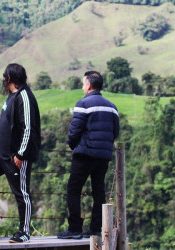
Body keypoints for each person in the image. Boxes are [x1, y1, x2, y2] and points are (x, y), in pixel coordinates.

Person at [0, 63, 41, 243]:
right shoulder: (12, 96)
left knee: (21, 194)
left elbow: (29, 128)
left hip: (16, 155)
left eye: (5, 76)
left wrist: (21, 155)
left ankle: (24, 232)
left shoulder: (25, 97)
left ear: (9, 78)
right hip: (0, 150)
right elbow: (7, 121)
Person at [57, 71, 120, 239]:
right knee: (98, 191)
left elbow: (74, 131)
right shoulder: (112, 107)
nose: (83, 87)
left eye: (84, 84)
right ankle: (95, 229)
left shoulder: (83, 104)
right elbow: (115, 132)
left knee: (73, 190)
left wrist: (73, 146)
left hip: (84, 154)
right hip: (103, 156)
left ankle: (75, 229)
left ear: (89, 85)